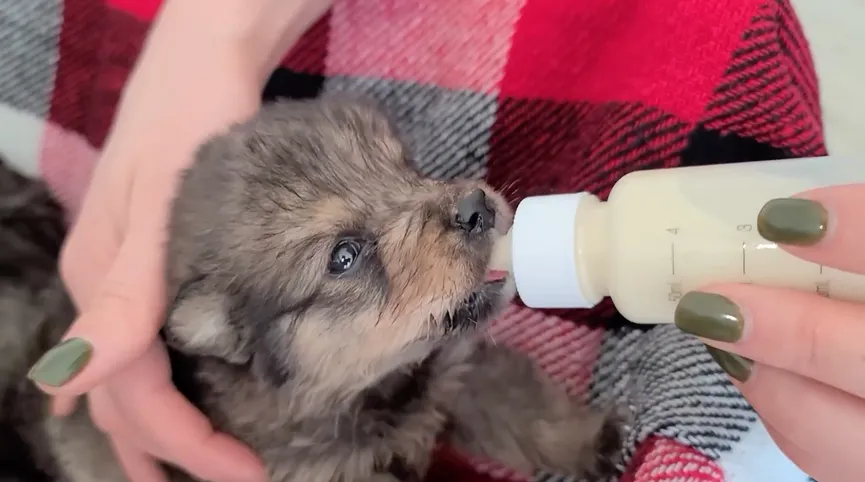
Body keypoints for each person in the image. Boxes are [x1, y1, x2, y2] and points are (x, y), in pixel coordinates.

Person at [20, 0, 865, 481]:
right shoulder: (273, 442)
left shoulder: (424, 343)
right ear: (233, 338)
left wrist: (585, 446)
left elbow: (482, 379)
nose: (454, 203)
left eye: (402, 169)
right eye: (345, 257)